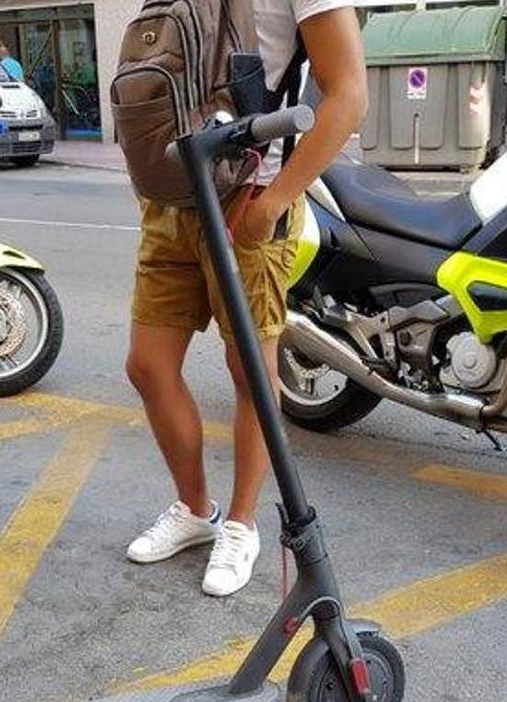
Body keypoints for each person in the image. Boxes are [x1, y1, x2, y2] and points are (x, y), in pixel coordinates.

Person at [124, 0, 367, 596]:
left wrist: (276, 200)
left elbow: (347, 94)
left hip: (250, 190)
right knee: (148, 367)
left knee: (249, 373)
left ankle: (241, 524)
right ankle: (194, 510)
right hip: (174, 198)